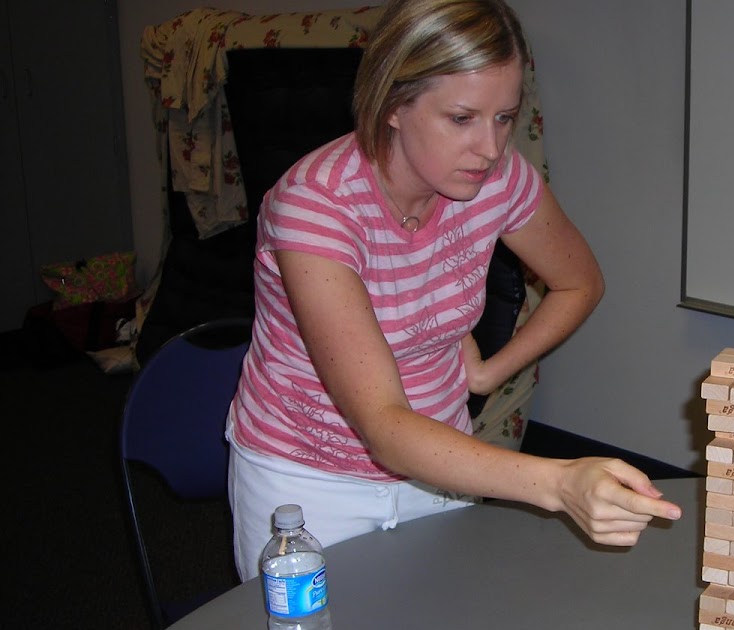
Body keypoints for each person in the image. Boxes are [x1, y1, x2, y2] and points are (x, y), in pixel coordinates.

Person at [225, 0, 681, 580]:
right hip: (307, 484)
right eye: (462, 118)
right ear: (392, 104)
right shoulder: (316, 207)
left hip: (442, 463)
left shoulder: (498, 178)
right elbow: (385, 426)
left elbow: (579, 281)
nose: (490, 149)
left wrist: (490, 372)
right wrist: (560, 481)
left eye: (504, 117)